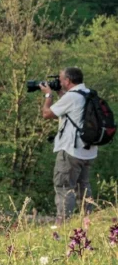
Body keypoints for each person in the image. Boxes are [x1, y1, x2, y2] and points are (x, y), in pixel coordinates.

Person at [40, 67, 96, 221]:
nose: (59, 81)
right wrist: (60, 94)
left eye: (61, 78)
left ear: (68, 81)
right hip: (88, 150)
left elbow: (47, 113)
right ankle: (88, 220)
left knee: (64, 187)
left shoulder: (71, 97)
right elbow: (73, 111)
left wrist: (48, 95)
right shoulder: (87, 93)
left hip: (71, 150)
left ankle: (63, 224)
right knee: (83, 186)